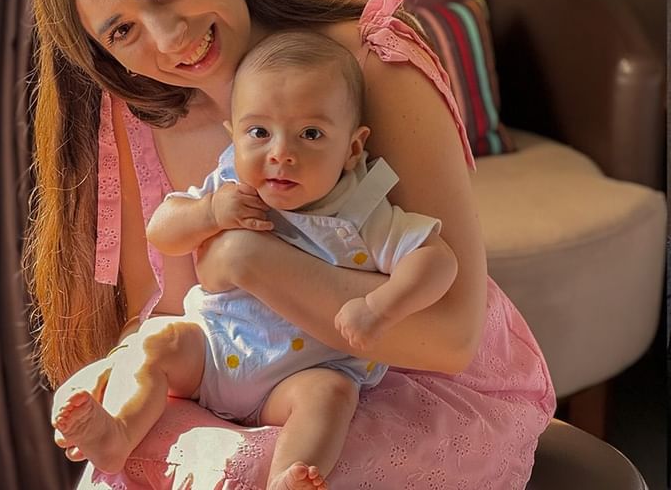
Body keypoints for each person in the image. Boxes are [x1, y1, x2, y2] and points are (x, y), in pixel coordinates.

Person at [26, 0, 556, 487]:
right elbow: (166, 311)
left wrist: (248, 259)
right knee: (126, 457)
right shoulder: (143, 116)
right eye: (122, 30)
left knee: (260, 468)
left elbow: (450, 339)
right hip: (235, 363)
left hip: (398, 373)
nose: (169, 36)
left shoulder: (370, 63)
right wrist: (118, 370)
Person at [51, 30, 459, 486]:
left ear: (352, 149)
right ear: (234, 136)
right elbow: (162, 230)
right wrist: (208, 212)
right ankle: (117, 433)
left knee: (331, 395)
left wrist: (381, 307)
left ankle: (288, 477)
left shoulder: (360, 210)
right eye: (259, 132)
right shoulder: (232, 184)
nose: (280, 154)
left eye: (310, 133)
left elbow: (436, 260)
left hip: (299, 376)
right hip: (213, 348)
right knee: (156, 341)